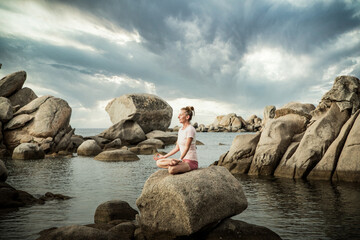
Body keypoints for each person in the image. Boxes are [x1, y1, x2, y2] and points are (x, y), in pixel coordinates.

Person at [155, 106, 198, 174]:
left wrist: (179, 159)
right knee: (158, 162)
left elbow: (187, 147)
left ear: (187, 117)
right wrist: (164, 156)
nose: (178, 117)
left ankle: (175, 165)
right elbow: (177, 148)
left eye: (181, 115)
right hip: (183, 160)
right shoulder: (180, 130)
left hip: (191, 162)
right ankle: (175, 164)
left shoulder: (190, 129)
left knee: (171, 170)